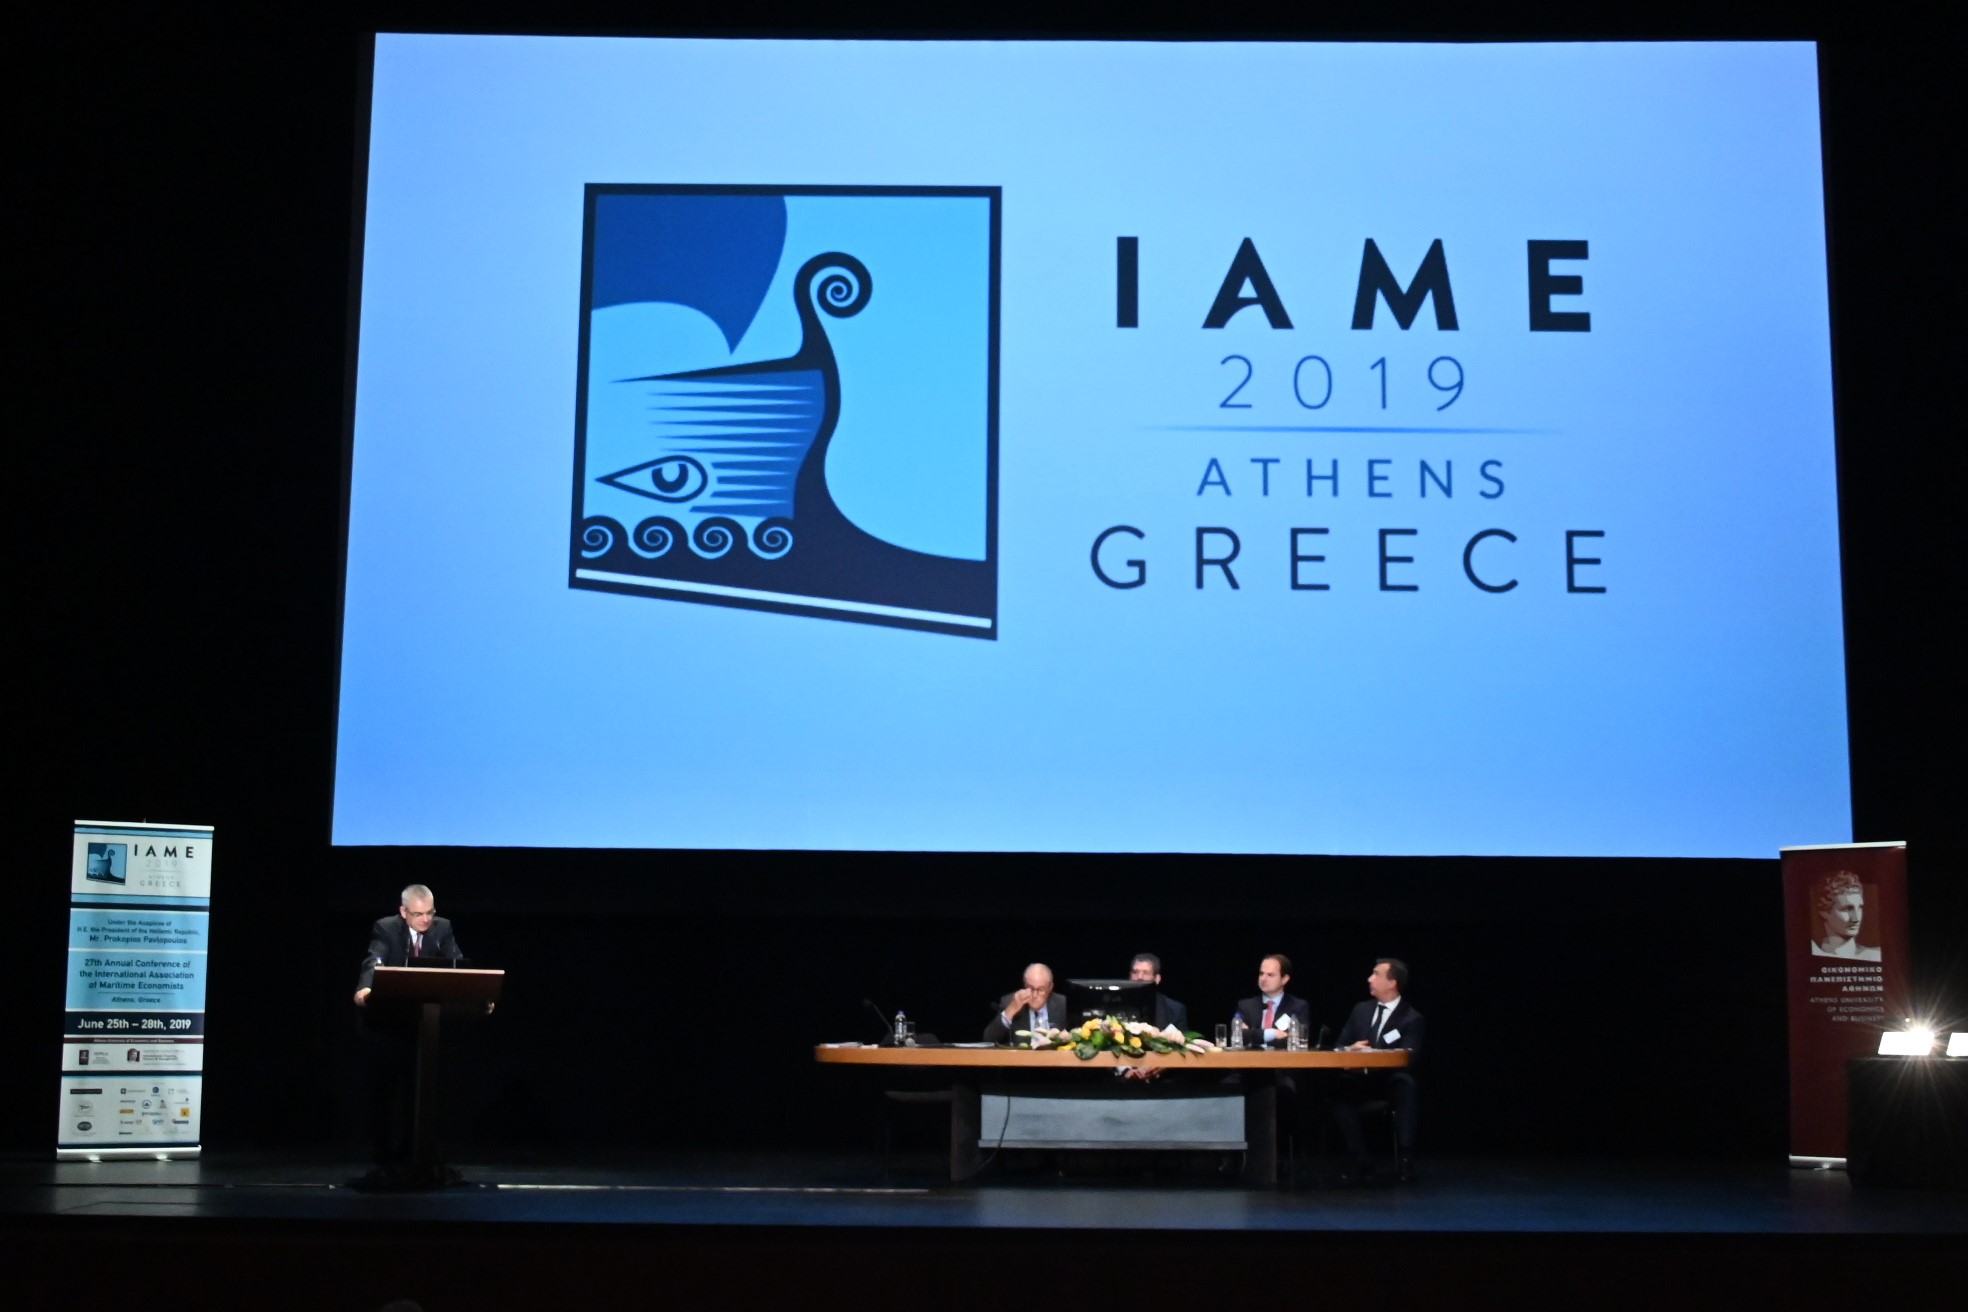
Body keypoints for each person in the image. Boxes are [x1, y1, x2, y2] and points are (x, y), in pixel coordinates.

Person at [1331, 957, 1425, 1183]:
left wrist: (1372, 1055)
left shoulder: (1412, 1018)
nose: (1369, 979)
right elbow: (1338, 1046)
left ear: (1392, 983)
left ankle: (1405, 1158)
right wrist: (1349, 1049)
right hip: (1359, 1079)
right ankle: (1360, 1158)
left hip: (1389, 1080)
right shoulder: (1360, 1010)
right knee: (1338, 1087)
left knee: (1405, 1084)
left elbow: (1409, 1057)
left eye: (1376, 974)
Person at [354, 884, 464, 1005]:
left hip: (431, 998)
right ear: (404, 912)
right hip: (395, 998)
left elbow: (457, 962)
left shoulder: (442, 927)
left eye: (430, 912)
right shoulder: (387, 928)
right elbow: (375, 959)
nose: (426, 919)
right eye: (418, 914)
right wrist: (367, 986)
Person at [1234, 954, 1312, 1048]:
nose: (1263, 979)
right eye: (1261, 973)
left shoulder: (1298, 1006)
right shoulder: (1245, 1006)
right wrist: (1272, 1033)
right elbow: (1239, 1037)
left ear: (1284, 979)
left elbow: (1295, 1040)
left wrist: (1254, 1036)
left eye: (1270, 975)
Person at [1810, 870, 1881, 960]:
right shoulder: (1812, 953)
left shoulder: (1874, 956)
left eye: (1859, 908)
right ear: (1824, 911)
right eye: (1847, 909)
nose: (1856, 918)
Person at [984, 963, 1063, 1044]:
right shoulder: (1009, 1001)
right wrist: (1011, 1010)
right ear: (1025, 986)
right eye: (1031, 988)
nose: (1034, 995)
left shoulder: (1062, 1003)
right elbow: (988, 1039)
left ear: (1050, 987)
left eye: (1041, 989)